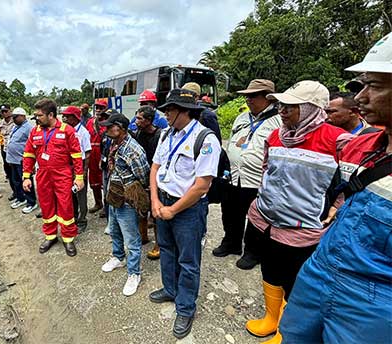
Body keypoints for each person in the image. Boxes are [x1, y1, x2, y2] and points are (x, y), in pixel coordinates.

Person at [280, 33, 392, 344]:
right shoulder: (363, 146)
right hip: (320, 270)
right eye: (362, 85)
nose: (361, 98)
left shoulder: (341, 139)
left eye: (376, 86)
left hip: (373, 300)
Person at [242, 81, 351, 344]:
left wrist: (338, 206)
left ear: (312, 108)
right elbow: (267, 169)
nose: (283, 110)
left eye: (291, 106)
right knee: (269, 269)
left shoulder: (336, 139)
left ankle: (286, 331)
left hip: (302, 228)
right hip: (266, 220)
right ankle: (271, 318)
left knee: (295, 281)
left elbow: (353, 181)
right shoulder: (276, 136)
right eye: (282, 105)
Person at [148, 89, 221, 339]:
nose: (166, 113)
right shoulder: (166, 134)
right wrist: (155, 200)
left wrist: (172, 210)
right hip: (165, 202)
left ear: (185, 111)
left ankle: (186, 307)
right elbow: (155, 167)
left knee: (188, 261)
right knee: (167, 249)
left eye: (170, 109)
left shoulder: (205, 139)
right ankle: (170, 289)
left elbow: (202, 185)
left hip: (187, 209)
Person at [213, 79, 282, 270]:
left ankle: (252, 251)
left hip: (257, 180)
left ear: (268, 97)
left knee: (255, 218)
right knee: (230, 212)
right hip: (234, 176)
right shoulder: (242, 118)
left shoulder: (279, 120)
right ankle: (231, 243)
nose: (248, 99)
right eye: (247, 95)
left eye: (253, 96)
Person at [23, 99, 84, 257]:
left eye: (39, 115)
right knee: (46, 205)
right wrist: (26, 176)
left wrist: (79, 177)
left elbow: (77, 156)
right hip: (43, 174)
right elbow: (29, 154)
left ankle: (68, 238)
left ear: (50, 115)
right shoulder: (35, 131)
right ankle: (50, 236)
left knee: (65, 205)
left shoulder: (67, 130)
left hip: (62, 173)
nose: (36, 118)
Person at [99, 112, 150, 296]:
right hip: (115, 194)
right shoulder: (114, 143)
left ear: (119, 128)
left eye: (109, 126)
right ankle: (118, 257)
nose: (105, 129)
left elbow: (144, 176)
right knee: (114, 229)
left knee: (132, 238)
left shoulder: (133, 150)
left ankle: (134, 273)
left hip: (128, 198)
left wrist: (135, 195)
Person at [131, 105, 163, 260]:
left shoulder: (160, 135)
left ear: (149, 120)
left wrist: (155, 181)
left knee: (156, 214)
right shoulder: (138, 134)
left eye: (140, 118)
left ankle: (159, 245)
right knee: (141, 209)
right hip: (142, 179)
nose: (136, 121)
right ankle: (143, 237)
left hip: (156, 180)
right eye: (136, 118)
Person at [61, 105, 92, 232]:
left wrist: (84, 172)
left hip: (79, 166)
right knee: (70, 193)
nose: (65, 118)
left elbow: (88, 152)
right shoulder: (66, 130)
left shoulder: (83, 132)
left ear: (75, 118)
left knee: (81, 195)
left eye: (67, 116)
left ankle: (82, 220)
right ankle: (73, 216)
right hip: (68, 166)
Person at [6, 107, 38, 214]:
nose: (13, 119)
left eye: (15, 117)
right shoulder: (16, 127)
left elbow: (33, 145)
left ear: (23, 116)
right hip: (14, 160)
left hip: (22, 160)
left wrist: (32, 163)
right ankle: (21, 198)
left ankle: (31, 202)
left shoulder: (29, 128)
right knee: (16, 181)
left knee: (26, 181)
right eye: (13, 117)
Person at [86, 99, 109, 215]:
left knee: (104, 180)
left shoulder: (109, 122)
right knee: (93, 179)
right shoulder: (90, 122)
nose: (98, 110)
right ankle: (98, 203)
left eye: (101, 107)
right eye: (97, 107)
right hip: (91, 153)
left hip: (102, 153)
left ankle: (106, 205)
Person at [0, 104, 15, 187]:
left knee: (14, 165)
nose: (4, 113)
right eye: (2, 112)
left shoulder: (15, 122)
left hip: (13, 147)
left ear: (10, 111)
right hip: (4, 146)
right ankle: (10, 180)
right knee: (6, 164)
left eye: (6, 111)